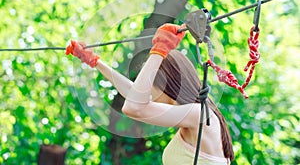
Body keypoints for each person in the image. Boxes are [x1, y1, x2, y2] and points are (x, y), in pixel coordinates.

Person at [66, 23, 234, 164]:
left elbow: (134, 106)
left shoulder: (198, 114)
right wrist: (94, 61)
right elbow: (135, 95)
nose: (144, 94)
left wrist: (161, 48)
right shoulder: (192, 114)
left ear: (166, 83)